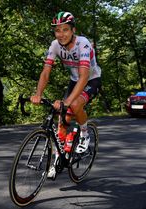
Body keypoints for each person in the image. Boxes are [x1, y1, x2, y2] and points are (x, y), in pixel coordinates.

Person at [30, 11, 101, 157]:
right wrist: (38, 94)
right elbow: (45, 73)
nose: (61, 34)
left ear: (73, 30)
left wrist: (67, 101)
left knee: (74, 105)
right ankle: (59, 155)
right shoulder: (55, 45)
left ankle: (84, 133)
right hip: (74, 81)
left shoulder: (83, 44)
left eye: (65, 29)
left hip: (91, 79)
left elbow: (84, 76)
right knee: (63, 119)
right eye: (57, 30)